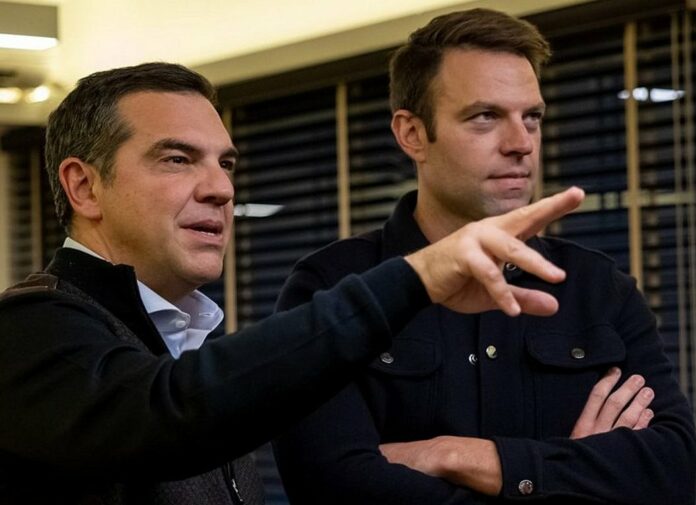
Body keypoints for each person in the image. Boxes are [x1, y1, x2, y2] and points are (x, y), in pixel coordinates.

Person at [0, 62, 585, 505]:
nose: (221, 189)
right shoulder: (28, 331)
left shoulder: (180, 341)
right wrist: (418, 276)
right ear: (84, 187)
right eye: (177, 159)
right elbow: (169, 412)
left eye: (225, 164)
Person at [272, 8, 696, 505]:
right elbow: (330, 486)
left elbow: (678, 468)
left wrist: (456, 455)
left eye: (532, 117)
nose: (521, 144)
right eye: (485, 117)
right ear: (412, 134)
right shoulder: (330, 286)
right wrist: (572, 475)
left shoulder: (598, 288)